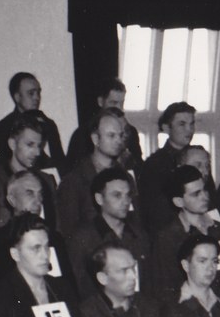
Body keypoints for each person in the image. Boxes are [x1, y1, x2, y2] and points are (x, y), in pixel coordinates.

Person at [149, 164, 220, 312]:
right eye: (196, 194)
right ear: (178, 201)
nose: (205, 197)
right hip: (188, 316)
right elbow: (165, 290)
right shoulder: (168, 238)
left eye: (205, 190)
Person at [0, 171, 75, 305]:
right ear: (12, 200)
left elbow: (69, 287)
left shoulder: (55, 239)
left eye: (40, 194)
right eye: (29, 193)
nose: (38, 201)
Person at [0, 111, 57, 246]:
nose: (37, 152)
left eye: (39, 146)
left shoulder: (47, 181)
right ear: (12, 144)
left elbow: (57, 230)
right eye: (30, 145)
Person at [66, 168, 149, 296]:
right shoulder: (83, 238)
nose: (126, 201)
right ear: (99, 199)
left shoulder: (139, 235)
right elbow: (77, 287)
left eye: (128, 195)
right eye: (117, 195)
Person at [56, 108, 127, 238]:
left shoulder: (126, 178)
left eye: (121, 135)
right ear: (95, 139)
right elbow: (69, 233)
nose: (118, 141)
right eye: (111, 135)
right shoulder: (73, 181)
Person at [137, 102, 196, 234]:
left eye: (192, 124)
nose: (189, 130)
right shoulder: (154, 164)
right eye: (182, 124)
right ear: (166, 128)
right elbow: (154, 210)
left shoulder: (198, 157)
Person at [0, 72, 64, 172]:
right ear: (17, 97)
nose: (37, 97)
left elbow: (60, 163)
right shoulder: (2, 128)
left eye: (38, 92)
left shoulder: (48, 124)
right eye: (31, 93)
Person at [64, 78, 143, 172]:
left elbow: (139, 169)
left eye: (122, 103)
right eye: (114, 103)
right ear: (100, 102)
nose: (119, 108)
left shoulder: (131, 132)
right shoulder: (83, 134)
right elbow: (73, 172)